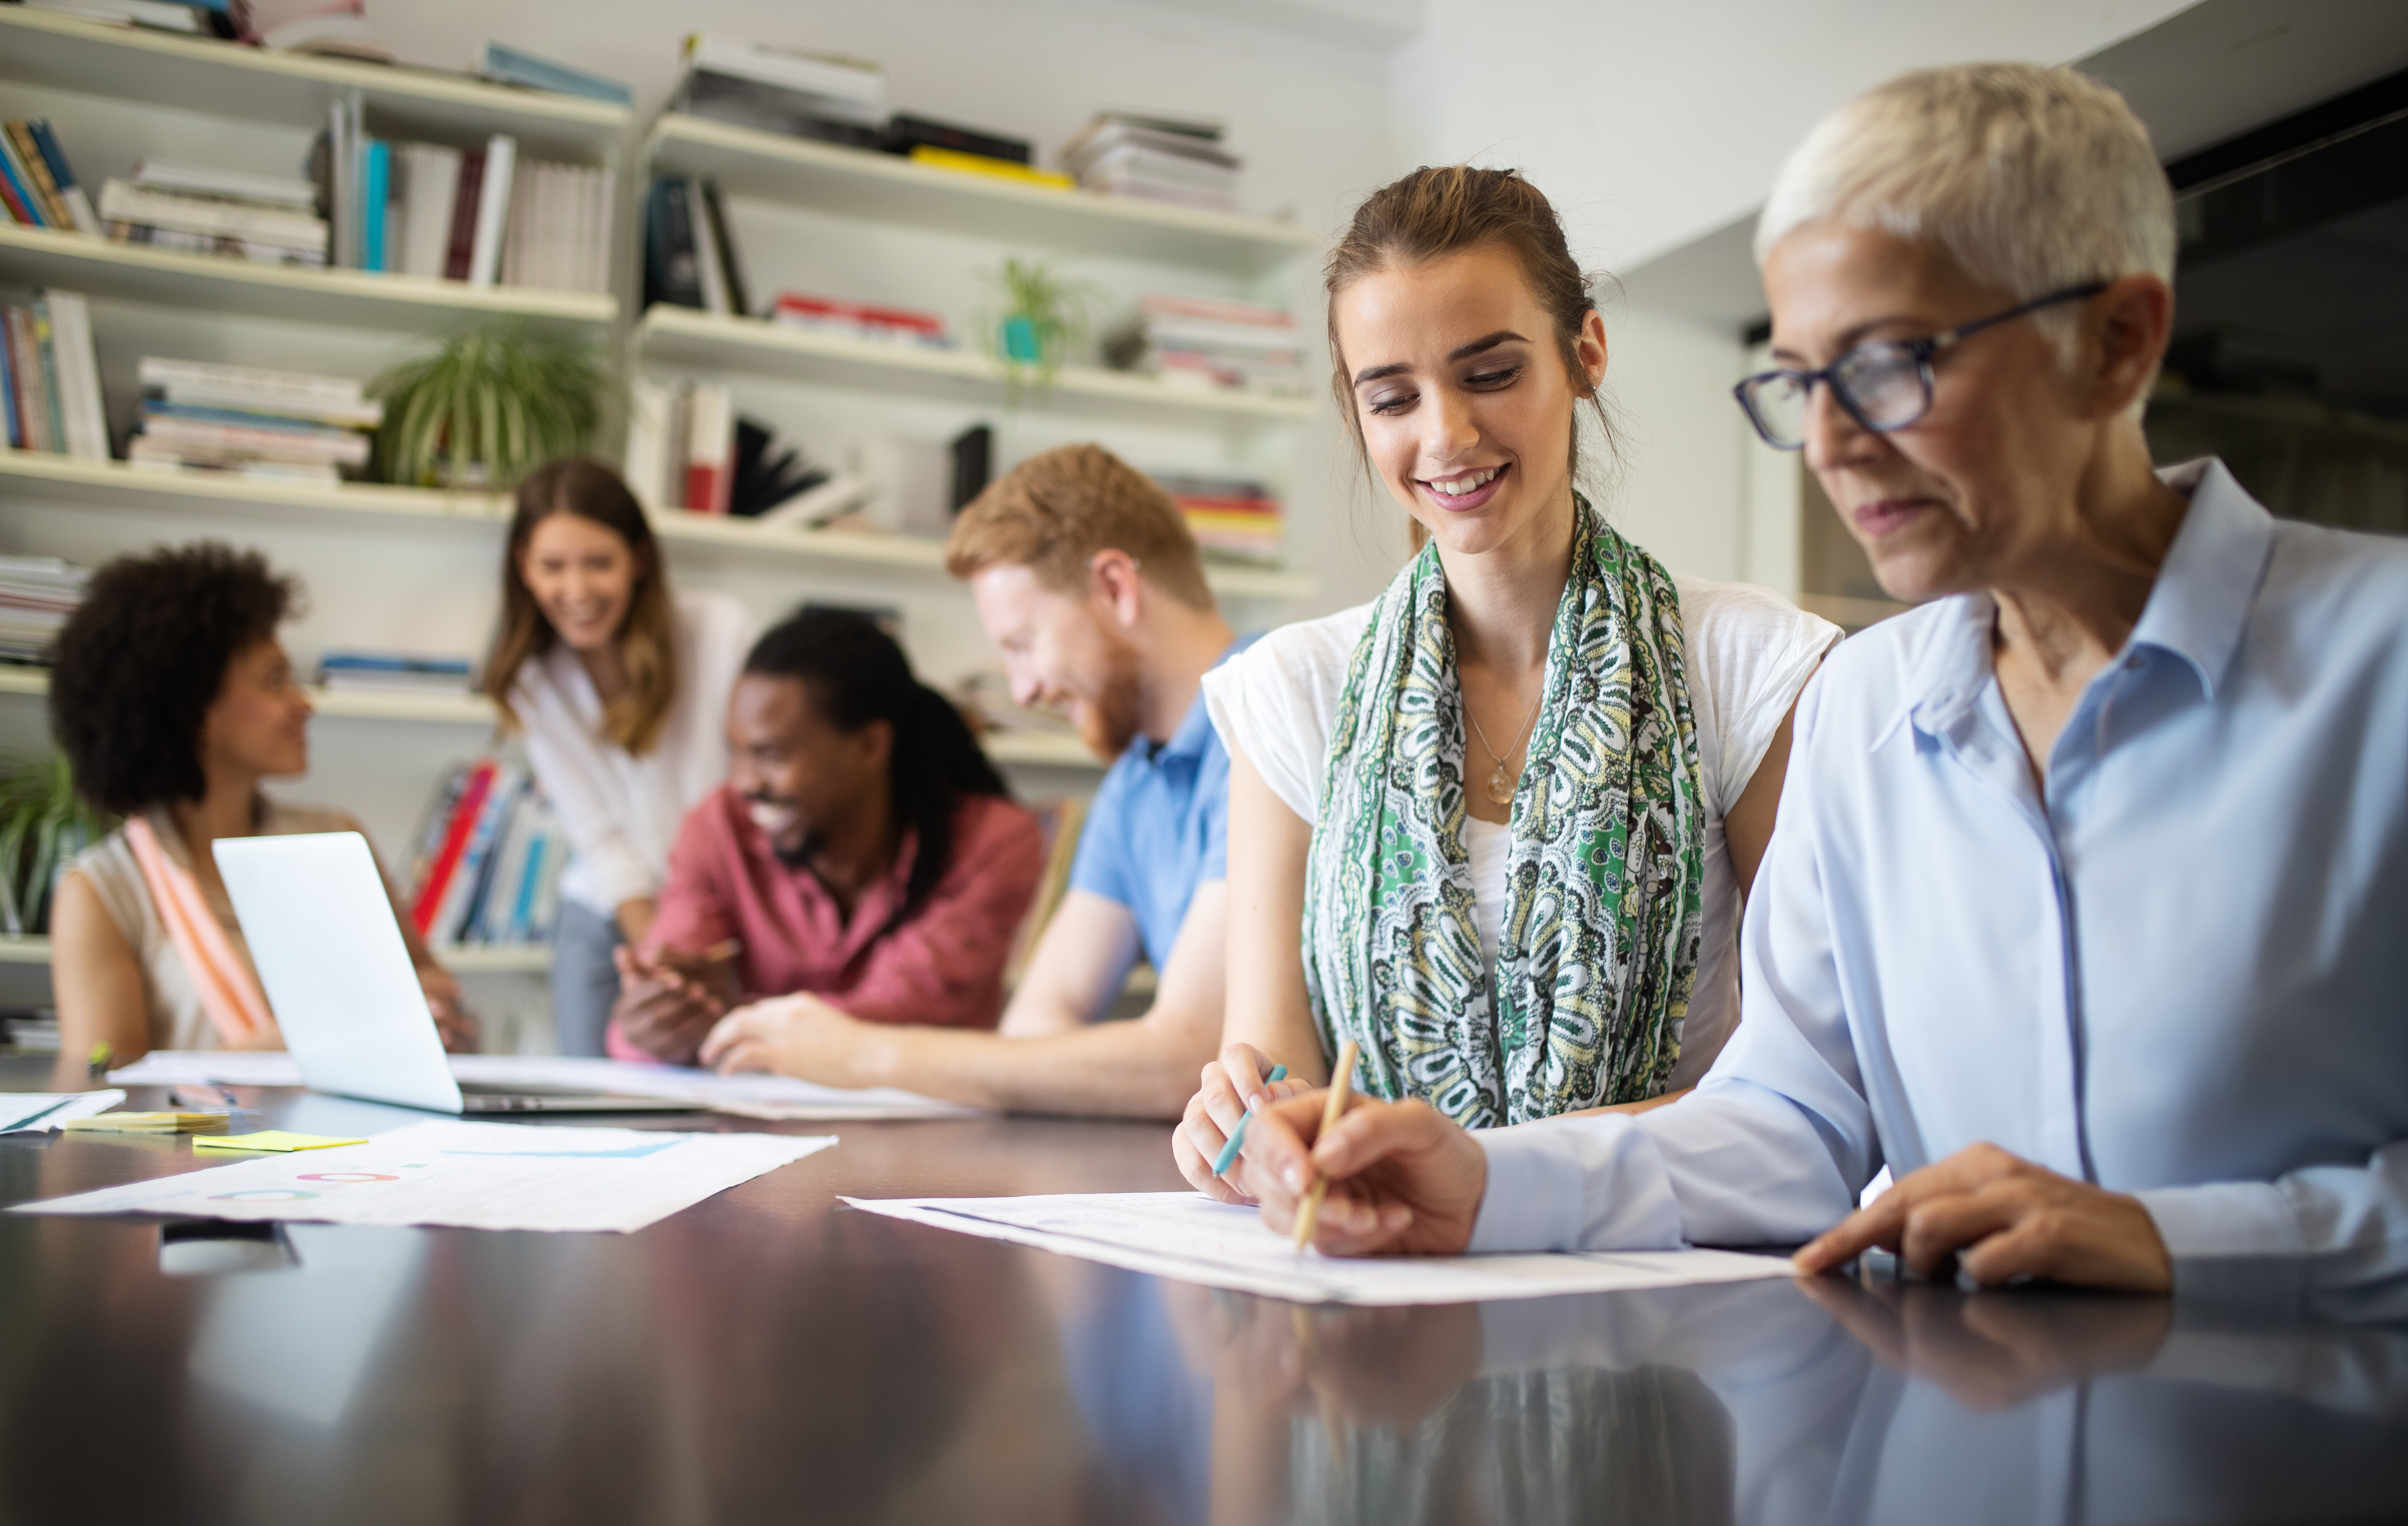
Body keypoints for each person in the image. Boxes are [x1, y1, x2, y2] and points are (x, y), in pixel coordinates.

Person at [1216, 65, 2408, 1311]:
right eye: (1803, 382)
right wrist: (1486, 1182)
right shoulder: (1866, 706)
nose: (1834, 444)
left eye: (1892, 365)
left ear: (2118, 343)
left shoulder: (2381, 667)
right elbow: (1790, 1121)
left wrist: (2177, 1243)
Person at [1173, 165, 1839, 1189]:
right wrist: (1245, 1133)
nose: (1443, 434)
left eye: (1487, 374)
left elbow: (1810, 1086)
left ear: (1584, 355)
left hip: (1661, 1279)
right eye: (1391, 396)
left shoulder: (1746, 666)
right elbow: (1273, 1074)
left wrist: (1485, 1180)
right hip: (1376, 1280)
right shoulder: (1292, 690)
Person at [697, 444, 1248, 1117]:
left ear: (1114, 589)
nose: (1022, 690)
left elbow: (1186, 1058)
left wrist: (865, 1054)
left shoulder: (1268, 717)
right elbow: (1036, 1028)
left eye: (1022, 644)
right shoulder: (1135, 783)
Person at [47, 543, 471, 1074]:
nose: (303, 703)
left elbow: (430, 993)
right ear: (194, 708)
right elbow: (99, 1091)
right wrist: (319, 1037)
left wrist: (441, 1015)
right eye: (275, 681)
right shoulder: (103, 892)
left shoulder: (335, 839)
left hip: (359, 1153)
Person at [609, 608, 1044, 1064]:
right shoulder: (718, 826)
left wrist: (732, 1016)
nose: (744, 782)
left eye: (770, 755)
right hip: (759, 1124)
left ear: (870, 747)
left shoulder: (992, 841)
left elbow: (905, 1011)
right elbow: (645, 1023)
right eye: (735, 752)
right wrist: (655, 1015)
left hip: (923, 1121)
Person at [484, 458, 750, 1058]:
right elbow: (602, 840)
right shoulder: (533, 680)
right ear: (524, 566)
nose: (576, 592)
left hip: (722, 915)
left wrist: (691, 951)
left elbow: (749, 794)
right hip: (611, 919)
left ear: (639, 559)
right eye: (553, 567)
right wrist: (657, 963)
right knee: (596, 1103)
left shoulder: (719, 631)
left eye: (599, 563)